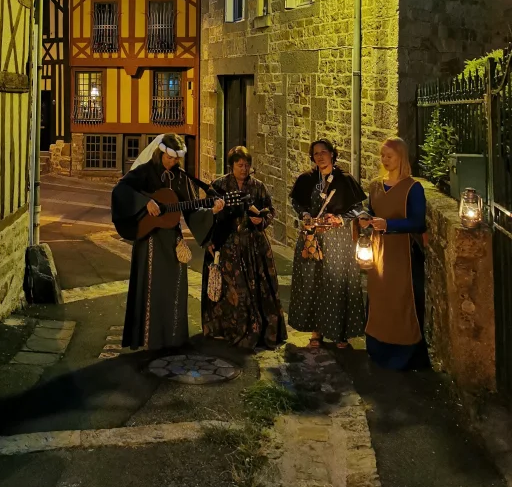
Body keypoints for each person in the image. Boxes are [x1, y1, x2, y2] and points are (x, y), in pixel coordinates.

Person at [111, 133, 224, 351]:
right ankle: (148, 338)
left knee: (174, 287)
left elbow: (192, 209)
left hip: (172, 239)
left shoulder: (181, 178)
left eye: (175, 159)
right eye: (169, 158)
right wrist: (145, 202)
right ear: (160, 153)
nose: (172, 162)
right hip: (149, 239)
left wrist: (211, 211)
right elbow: (121, 190)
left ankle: (172, 339)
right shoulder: (145, 171)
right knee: (151, 287)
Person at [202, 146, 287, 350]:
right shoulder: (219, 185)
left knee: (259, 287)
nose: (244, 169)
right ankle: (230, 328)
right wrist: (209, 240)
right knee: (231, 288)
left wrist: (262, 219)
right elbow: (206, 214)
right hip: (228, 243)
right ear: (231, 166)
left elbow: (270, 209)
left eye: (247, 165)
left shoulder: (257, 186)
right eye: (240, 165)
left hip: (254, 243)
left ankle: (258, 328)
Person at [357, 137, 429, 370]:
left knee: (401, 299)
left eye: (390, 156)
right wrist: (365, 218)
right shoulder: (375, 186)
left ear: (401, 157)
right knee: (379, 299)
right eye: (382, 156)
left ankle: (404, 353)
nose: (385, 160)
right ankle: (378, 347)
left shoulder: (412, 188)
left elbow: (418, 222)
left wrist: (389, 224)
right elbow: (372, 210)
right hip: (379, 251)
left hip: (403, 253)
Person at [288, 139, 366, 348]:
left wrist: (340, 219)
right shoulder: (307, 179)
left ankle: (340, 333)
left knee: (337, 283)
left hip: (337, 240)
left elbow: (358, 207)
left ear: (332, 154)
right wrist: (305, 214)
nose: (320, 156)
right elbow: (296, 201)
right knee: (313, 283)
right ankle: (316, 332)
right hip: (313, 238)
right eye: (316, 154)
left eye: (324, 152)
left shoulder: (344, 179)